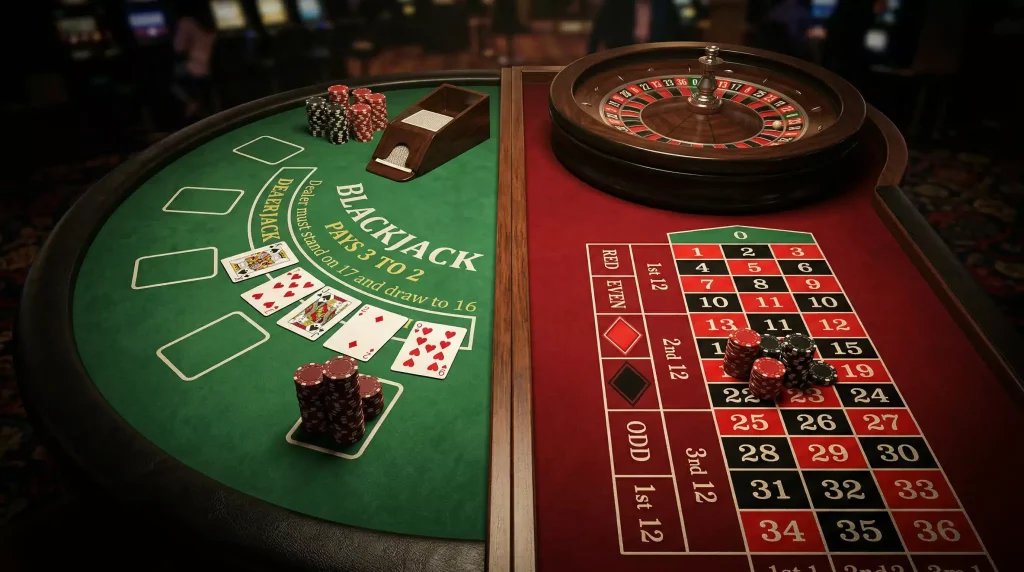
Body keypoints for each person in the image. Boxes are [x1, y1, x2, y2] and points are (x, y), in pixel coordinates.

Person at [172, 2, 217, 121]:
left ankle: (192, 105)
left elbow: (179, 48)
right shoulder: (211, 20)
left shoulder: (186, 21)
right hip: (210, 68)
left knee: (167, 80)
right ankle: (197, 104)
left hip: (193, 70)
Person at [588, 0, 685, 53]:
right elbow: (598, 29)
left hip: (655, 54)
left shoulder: (665, 4)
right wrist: (590, 56)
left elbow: (676, 31)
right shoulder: (616, 3)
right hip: (622, 53)